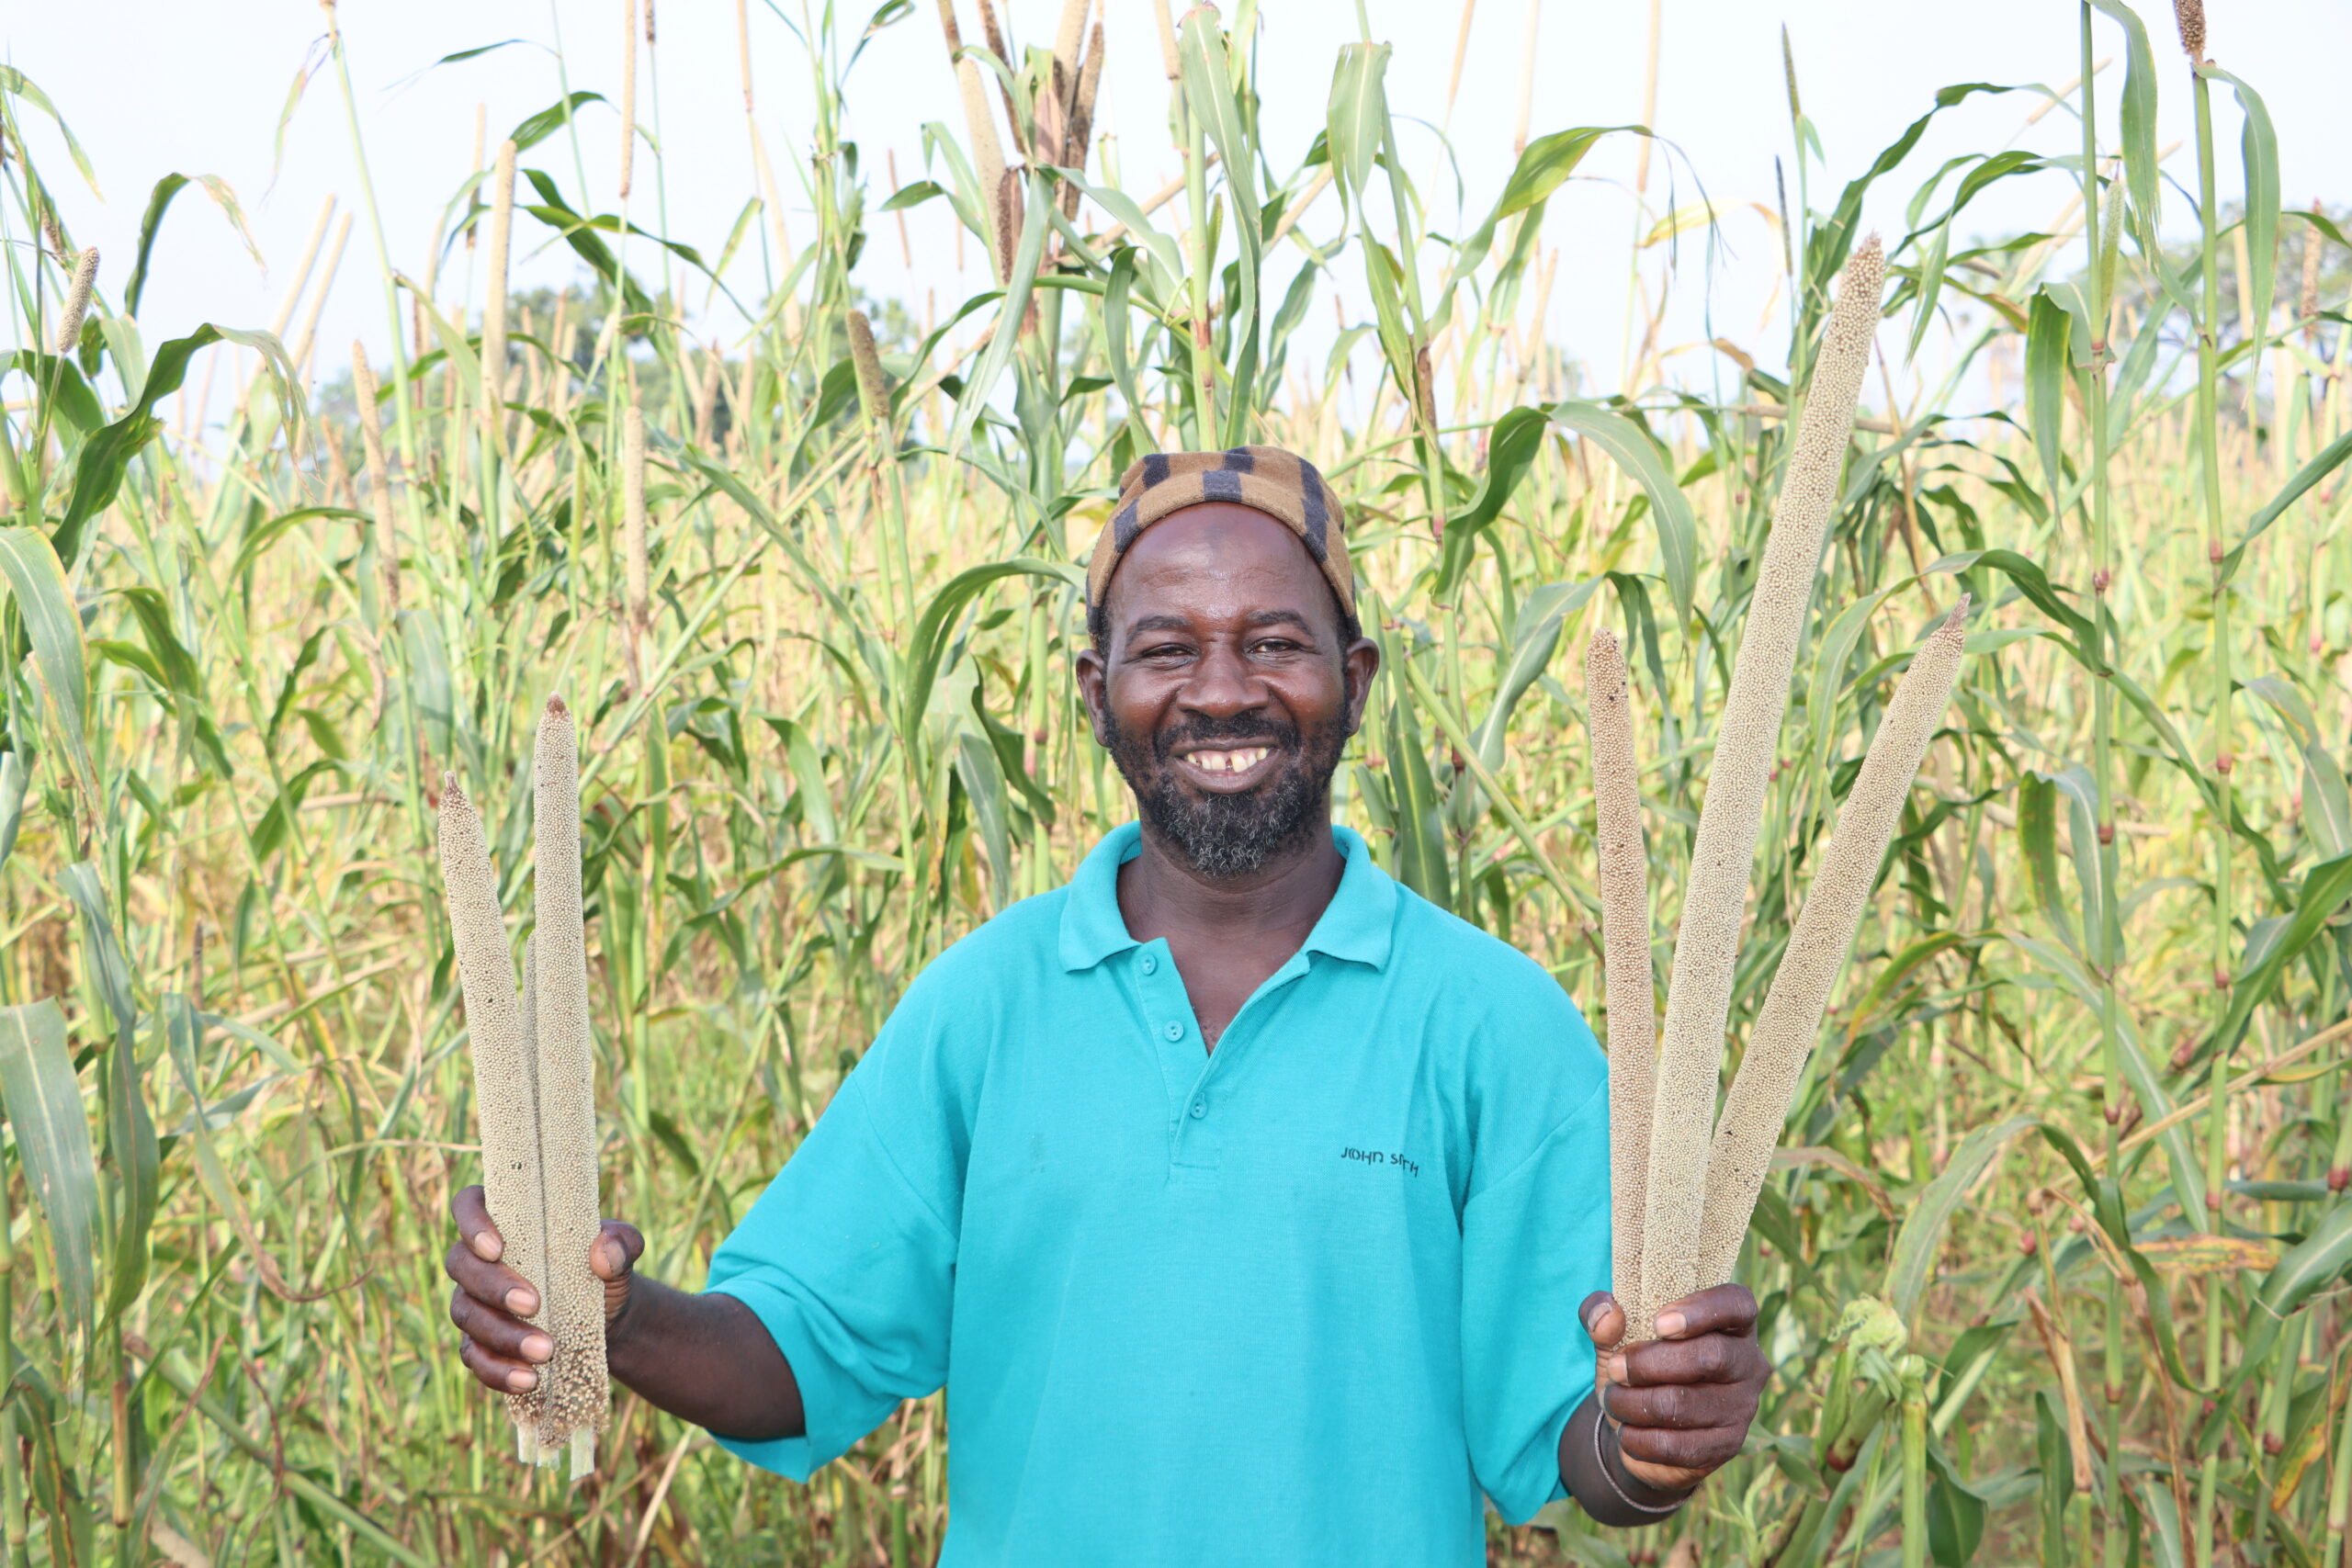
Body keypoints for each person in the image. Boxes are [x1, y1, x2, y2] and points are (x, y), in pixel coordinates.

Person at [446, 446, 1768, 1562]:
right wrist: (615, 1321)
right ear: (1098, 696)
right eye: (1167, 649)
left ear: (1354, 683)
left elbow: (1578, 1437)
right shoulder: (987, 1007)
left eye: (1275, 643)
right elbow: (799, 1346)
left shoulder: (1492, 1024)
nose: (1223, 689)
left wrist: (1660, 1432)